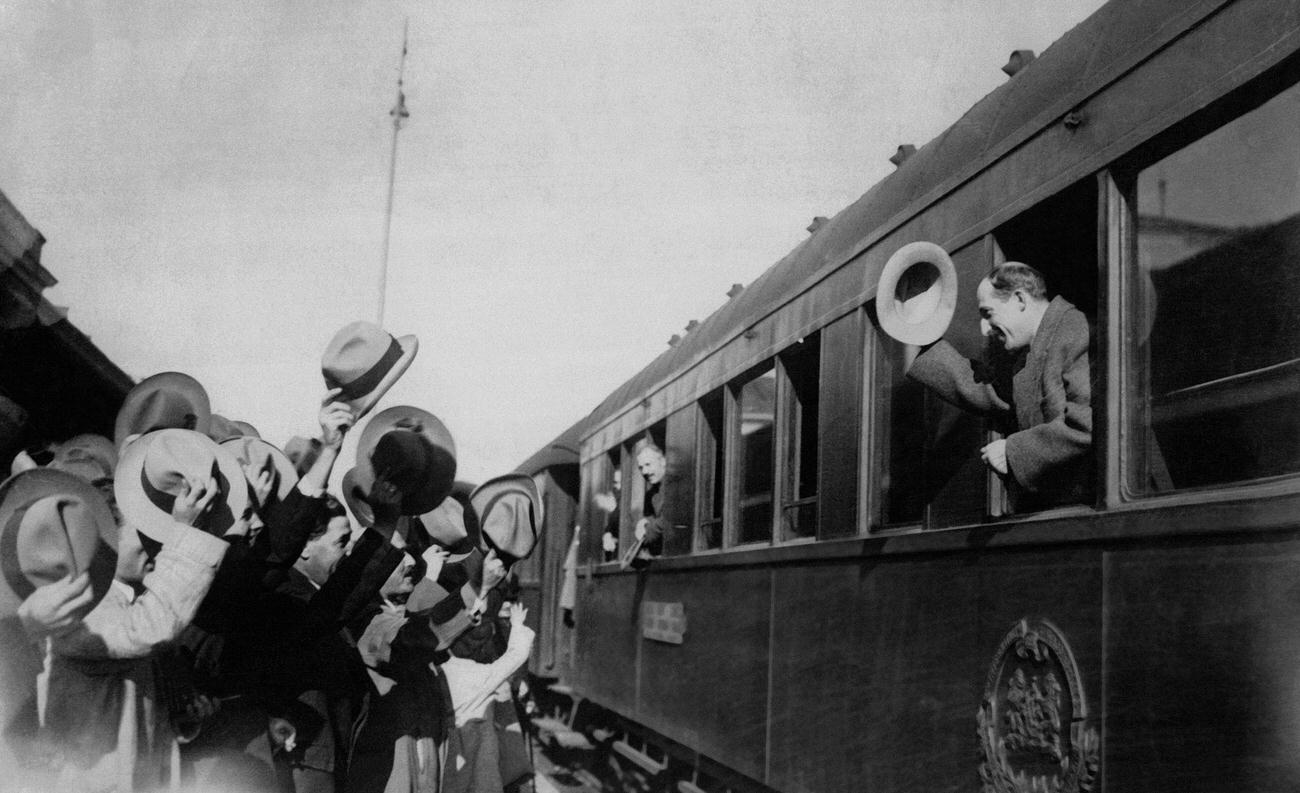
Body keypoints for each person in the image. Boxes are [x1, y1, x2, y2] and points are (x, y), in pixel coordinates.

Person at [906, 262, 1093, 511]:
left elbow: (1087, 425)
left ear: (1020, 300)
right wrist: (920, 332)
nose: (985, 328)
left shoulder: (1076, 330)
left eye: (988, 313)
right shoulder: (1030, 354)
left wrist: (1013, 451)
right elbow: (987, 390)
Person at [631, 440, 666, 563]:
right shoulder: (650, 494)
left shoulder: (674, 486)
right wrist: (643, 523)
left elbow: (669, 520)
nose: (644, 472)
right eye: (641, 467)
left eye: (648, 464)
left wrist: (647, 529)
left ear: (662, 462)